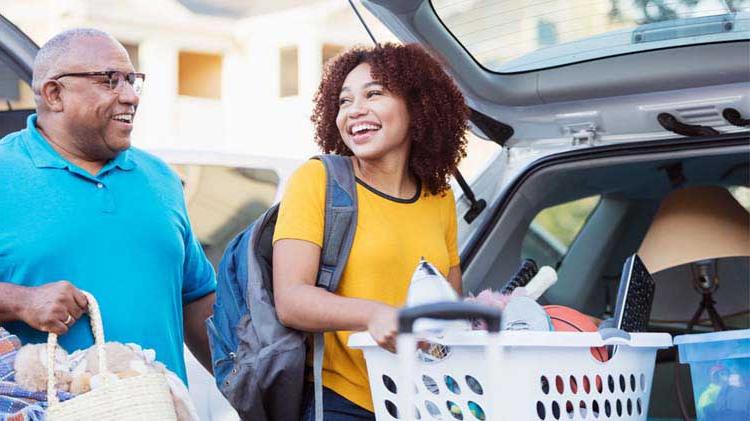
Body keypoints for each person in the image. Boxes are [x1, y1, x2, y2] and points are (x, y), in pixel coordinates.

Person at [0, 28, 216, 384]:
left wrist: (253, 394)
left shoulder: (160, 178)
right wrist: (21, 301)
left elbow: (196, 297)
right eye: (110, 81)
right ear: (55, 94)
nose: (130, 96)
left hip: (157, 409)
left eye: (132, 80)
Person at [272, 43, 469, 419]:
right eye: (344, 101)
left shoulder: (439, 197)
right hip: (343, 402)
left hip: (427, 401)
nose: (354, 110)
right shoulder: (318, 180)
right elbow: (291, 300)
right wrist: (375, 314)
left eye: (373, 94)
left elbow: (449, 305)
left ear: (419, 106)